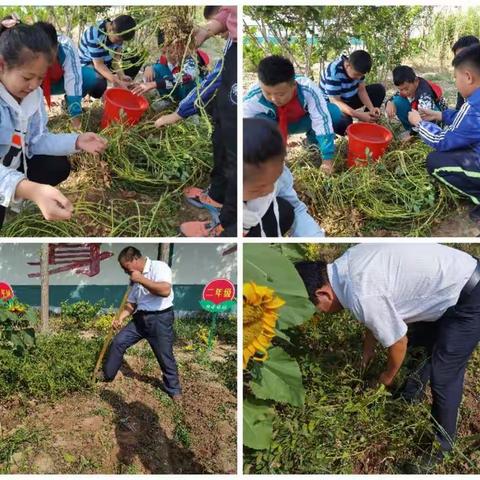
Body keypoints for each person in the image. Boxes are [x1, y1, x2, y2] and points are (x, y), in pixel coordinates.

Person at [295, 243, 480, 471]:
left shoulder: (360, 294)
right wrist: (367, 352)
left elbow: (397, 342)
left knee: (445, 374)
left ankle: (442, 448)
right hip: (453, 280)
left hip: (470, 297)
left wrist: (386, 378)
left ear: (322, 293)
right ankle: (409, 396)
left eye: (317, 307)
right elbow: (374, 310)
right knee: (421, 345)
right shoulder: (347, 264)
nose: (320, 313)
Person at [0, 21, 107, 227]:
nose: (34, 85)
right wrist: (32, 189)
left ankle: (17, 199)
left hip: (13, 163)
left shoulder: (34, 94)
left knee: (56, 165)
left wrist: (76, 141)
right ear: (2, 65)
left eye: (40, 78)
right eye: (27, 77)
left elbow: (37, 140)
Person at [156, 6, 237, 237]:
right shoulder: (229, 33)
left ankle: (226, 226)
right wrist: (209, 29)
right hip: (234, 48)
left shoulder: (193, 63)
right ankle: (217, 196)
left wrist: (179, 113)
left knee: (234, 151)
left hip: (236, 56)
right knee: (220, 134)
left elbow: (215, 79)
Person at [408, 44, 480, 225]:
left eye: (455, 78)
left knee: (435, 161)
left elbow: (442, 140)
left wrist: (419, 124)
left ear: (468, 77)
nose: (455, 82)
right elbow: (468, 124)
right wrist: (440, 115)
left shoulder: (472, 106)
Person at [99, 246, 182, 401]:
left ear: (135, 259)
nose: (125, 271)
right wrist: (121, 318)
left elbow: (165, 290)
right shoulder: (134, 278)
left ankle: (174, 390)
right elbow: (131, 305)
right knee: (118, 341)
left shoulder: (158, 267)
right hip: (139, 320)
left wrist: (141, 279)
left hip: (160, 319)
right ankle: (107, 374)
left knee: (164, 355)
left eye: (126, 267)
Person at [244, 55, 338, 175]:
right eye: (267, 93)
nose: (274, 99)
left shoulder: (307, 89)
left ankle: (313, 145)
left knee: (332, 113)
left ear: (293, 86)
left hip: (298, 123)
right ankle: (271, 158)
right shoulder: (253, 98)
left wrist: (327, 160)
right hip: (272, 127)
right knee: (255, 124)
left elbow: (321, 119)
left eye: (281, 94)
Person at [244, 117, 324, 237]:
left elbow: (296, 207)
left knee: (286, 210)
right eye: (259, 187)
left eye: (274, 180)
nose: (270, 189)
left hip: (254, 221)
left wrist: (314, 235)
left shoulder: (276, 173)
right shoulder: (223, 191)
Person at [320, 50, 386, 136]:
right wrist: (359, 115)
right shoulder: (334, 72)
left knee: (379, 89)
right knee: (345, 125)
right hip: (331, 105)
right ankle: (331, 124)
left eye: (361, 75)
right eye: (356, 74)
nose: (358, 78)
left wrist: (371, 108)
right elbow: (335, 101)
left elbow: (361, 90)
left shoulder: (359, 69)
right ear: (347, 65)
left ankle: (367, 122)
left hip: (348, 99)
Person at [132, 37, 208, 110]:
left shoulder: (192, 58)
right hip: (177, 91)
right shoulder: (166, 58)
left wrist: (154, 84)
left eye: (170, 51)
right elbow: (156, 65)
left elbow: (186, 77)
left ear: (180, 46)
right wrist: (148, 68)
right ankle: (169, 100)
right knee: (156, 68)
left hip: (193, 94)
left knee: (188, 81)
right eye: (163, 52)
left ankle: (190, 108)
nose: (167, 56)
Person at [35, 22, 84, 129]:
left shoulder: (66, 46)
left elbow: (73, 81)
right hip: (37, 86)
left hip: (58, 83)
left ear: (57, 47)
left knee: (89, 77)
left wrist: (76, 120)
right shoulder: (25, 49)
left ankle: (68, 106)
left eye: (49, 57)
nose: (46, 62)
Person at [78, 15, 137, 98]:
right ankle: (73, 98)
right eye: (118, 40)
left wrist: (121, 75)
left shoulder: (119, 33)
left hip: (103, 62)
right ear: (110, 29)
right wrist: (117, 82)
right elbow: (99, 65)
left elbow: (116, 60)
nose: (119, 43)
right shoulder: (94, 35)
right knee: (99, 85)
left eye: (122, 41)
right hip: (86, 63)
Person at [385, 65, 447, 139]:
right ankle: (412, 130)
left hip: (435, 121)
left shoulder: (425, 96)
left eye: (406, 89)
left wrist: (411, 134)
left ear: (416, 81)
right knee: (396, 101)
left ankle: (421, 135)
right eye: (401, 89)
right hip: (418, 117)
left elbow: (425, 120)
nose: (404, 92)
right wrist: (389, 102)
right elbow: (395, 96)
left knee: (425, 116)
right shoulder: (407, 87)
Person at [452, 35, 479, 110]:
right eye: (458, 59)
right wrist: (441, 115)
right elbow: (459, 112)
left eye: (464, 58)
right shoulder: (465, 87)